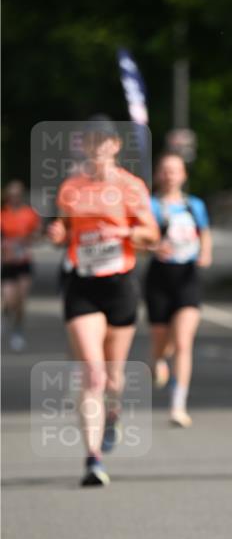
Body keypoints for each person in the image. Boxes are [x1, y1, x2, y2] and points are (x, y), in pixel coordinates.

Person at [47, 118, 159, 486]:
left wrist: (123, 231)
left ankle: (113, 412)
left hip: (120, 285)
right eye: (90, 141)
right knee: (92, 372)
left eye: (103, 141)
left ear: (114, 146)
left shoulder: (131, 187)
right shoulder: (72, 187)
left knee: (113, 376)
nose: (96, 147)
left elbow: (151, 235)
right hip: (83, 284)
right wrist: (58, 232)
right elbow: (64, 228)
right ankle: (92, 458)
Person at [144, 152, 212, 427]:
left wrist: (206, 253)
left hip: (187, 276)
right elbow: (137, 239)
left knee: (183, 342)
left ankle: (178, 405)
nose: (170, 175)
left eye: (175, 171)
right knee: (162, 338)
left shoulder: (194, 205)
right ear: (158, 174)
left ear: (183, 175)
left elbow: (204, 232)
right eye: (165, 170)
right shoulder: (148, 205)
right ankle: (158, 359)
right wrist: (152, 246)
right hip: (159, 277)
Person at [1, 180, 41, 351]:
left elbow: (38, 234)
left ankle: (18, 330)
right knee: (9, 300)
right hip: (8, 262)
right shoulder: (3, 214)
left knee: (21, 300)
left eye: (18, 194)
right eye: (12, 195)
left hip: (24, 261)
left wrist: (27, 241)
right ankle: (5, 318)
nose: (15, 198)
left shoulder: (29, 214)